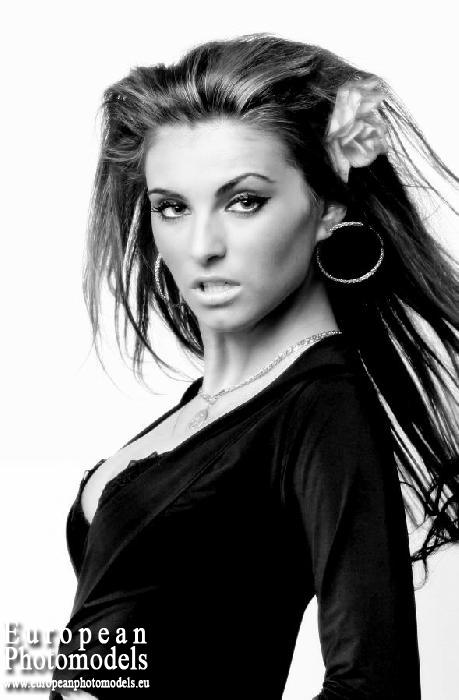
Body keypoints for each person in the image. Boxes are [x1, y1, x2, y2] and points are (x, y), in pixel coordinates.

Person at [51, 33, 459, 700]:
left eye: (243, 201)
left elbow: (375, 687)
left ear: (330, 205)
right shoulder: (214, 401)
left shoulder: (321, 406)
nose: (202, 246)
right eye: (172, 207)